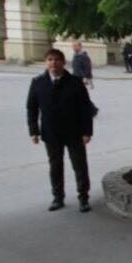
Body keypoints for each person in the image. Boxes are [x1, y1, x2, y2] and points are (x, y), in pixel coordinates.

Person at [27, 48, 96, 213]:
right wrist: (33, 131)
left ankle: (83, 198)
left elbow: (85, 108)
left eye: (57, 60)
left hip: (74, 132)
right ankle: (58, 197)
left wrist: (87, 131)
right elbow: (32, 109)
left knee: (79, 166)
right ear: (46, 62)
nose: (53, 63)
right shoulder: (38, 83)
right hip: (51, 133)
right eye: (50, 60)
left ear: (63, 62)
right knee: (55, 166)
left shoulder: (75, 82)